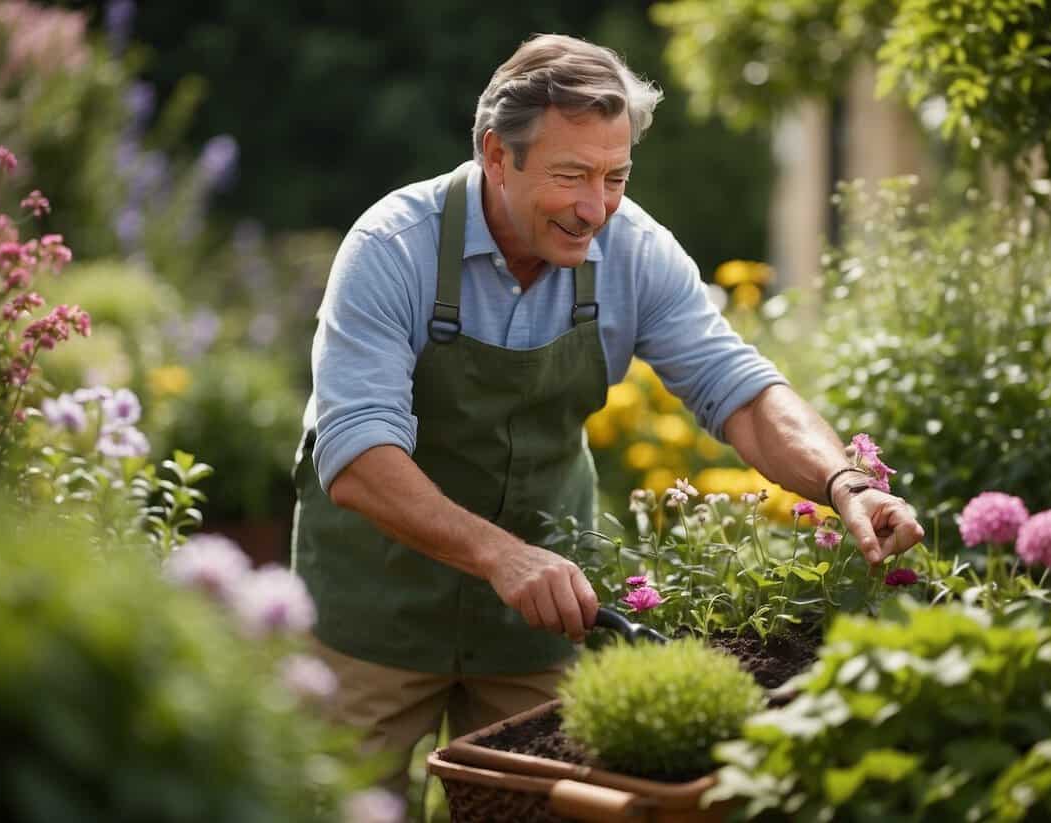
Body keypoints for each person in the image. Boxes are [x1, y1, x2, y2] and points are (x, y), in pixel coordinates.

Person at [291, 32, 924, 794]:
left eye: (615, 176)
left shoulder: (632, 252)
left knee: (540, 810)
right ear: (497, 155)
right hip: (373, 613)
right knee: (334, 806)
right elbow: (358, 456)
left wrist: (845, 481)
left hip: (540, 620)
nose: (595, 208)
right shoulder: (393, 249)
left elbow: (740, 389)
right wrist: (503, 555)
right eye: (571, 175)